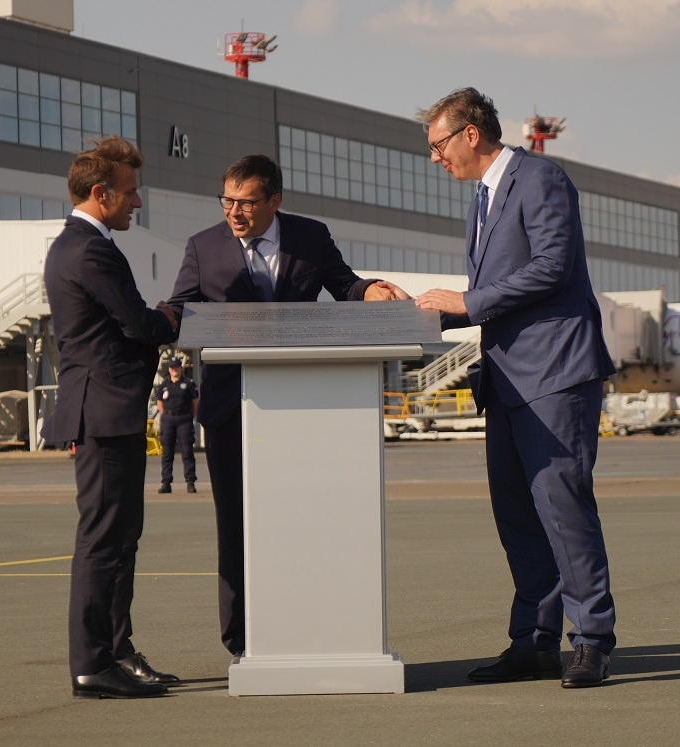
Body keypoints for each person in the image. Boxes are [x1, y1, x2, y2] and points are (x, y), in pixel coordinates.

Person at [414, 88, 618, 689]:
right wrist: (429, 314)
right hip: (506, 379)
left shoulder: (540, 178)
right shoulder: (483, 199)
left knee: (563, 510)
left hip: (554, 373)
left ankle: (592, 639)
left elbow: (552, 266)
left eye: (438, 145)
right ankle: (534, 642)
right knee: (517, 517)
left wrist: (467, 301)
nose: (434, 158)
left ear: (470, 134)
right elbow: (500, 293)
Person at [167, 153, 409, 658]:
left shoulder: (310, 236)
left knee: (303, 522)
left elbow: (345, 285)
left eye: (246, 203)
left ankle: (306, 625)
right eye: (227, 201)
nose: (234, 212)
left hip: (302, 412)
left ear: (274, 200)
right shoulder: (202, 247)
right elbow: (180, 308)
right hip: (230, 411)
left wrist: (371, 291)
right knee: (235, 526)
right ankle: (241, 639)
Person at [42, 135, 181, 699]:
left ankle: (116, 651)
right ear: (101, 193)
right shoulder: (88, 250)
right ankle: (92, 663)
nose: (136, 202)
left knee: (121, 539)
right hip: (101, 413)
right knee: (103, 541)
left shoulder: (81, 245)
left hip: (109, 413)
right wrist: (173, 315)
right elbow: (138, 324)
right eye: (130, 193)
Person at [156, 357, 198, 494]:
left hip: (184, 419)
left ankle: (190, 482)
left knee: (187, 451)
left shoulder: (188, 383)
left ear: (181, 368)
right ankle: (166, 482)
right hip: (168, 419)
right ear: (169, 369)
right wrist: (165, 414)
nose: (174, 369)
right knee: (167, 453)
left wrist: (191, 416)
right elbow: (160, 401)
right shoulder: (164, 384)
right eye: (172, 367)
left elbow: (195, 402)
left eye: (177, 367)